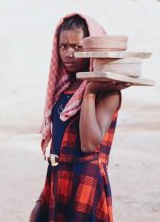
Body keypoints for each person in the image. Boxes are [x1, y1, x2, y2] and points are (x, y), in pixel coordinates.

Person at [29, 13, 130, 222]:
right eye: (63, 46)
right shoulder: (64, 88)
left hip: (85, 178)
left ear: (94, 48)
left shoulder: (108, 92)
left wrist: (90, 92)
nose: (69, 53)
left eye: (77, 47)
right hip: (57, 174)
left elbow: (89, 144)